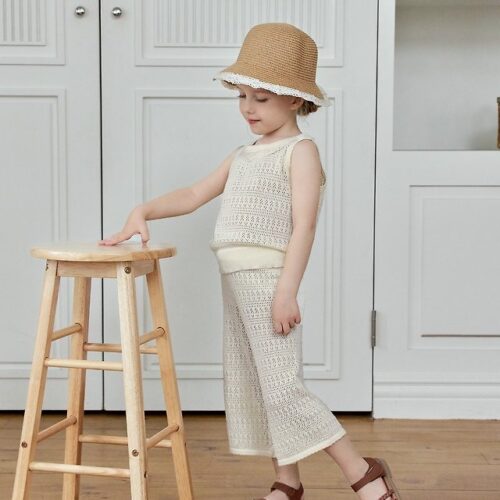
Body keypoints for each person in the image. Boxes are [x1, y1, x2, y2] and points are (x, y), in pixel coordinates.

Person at [99, 21, 401, 500]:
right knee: (259, 385)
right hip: (235, 283)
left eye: (261, 98)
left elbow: (304, 227)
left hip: (268, 282)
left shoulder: (300, 151)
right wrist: (144, 210)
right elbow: (194, 194)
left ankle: (364, 473)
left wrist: (286, 292)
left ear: (295, 100)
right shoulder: (243, 154)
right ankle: (288, 481)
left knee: (284, 388)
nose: (247, 108)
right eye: (242, 96)